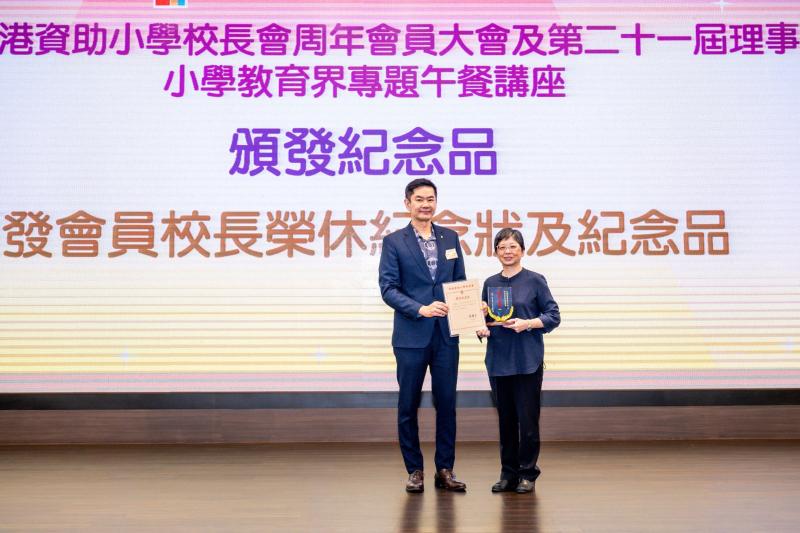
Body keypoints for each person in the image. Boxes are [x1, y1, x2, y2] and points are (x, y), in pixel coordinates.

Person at [378, 178, 468, 493]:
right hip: (411, 336)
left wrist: (472, 314)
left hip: (446, 336)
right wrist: (420, 308)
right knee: (408, 405)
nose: (426, 204)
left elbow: (459, 284)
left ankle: (445, 469)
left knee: (447, 404)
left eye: (430, 199)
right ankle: (414, 470)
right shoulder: (394, 241)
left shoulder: (450, 238)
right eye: (419, 199)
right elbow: (388, 289)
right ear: (408, 203)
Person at [476, 227, 561, 494]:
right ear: (495, 252)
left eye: (512, 246)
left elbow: (553, 315)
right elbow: (484, 318)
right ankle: (508, 473)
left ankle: (528, 473)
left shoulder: (535, 280)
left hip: (527, 360)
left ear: (522, 250)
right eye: (502, 247)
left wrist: (528, 323)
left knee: (528, 421)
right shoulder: (490, 283)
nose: (507, 251)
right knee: (506, 421)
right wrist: (481, 327)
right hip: (499, 360)